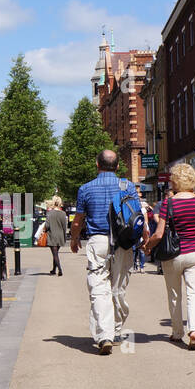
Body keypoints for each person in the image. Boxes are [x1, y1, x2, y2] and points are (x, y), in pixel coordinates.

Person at [70, 148, 137, 354]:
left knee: (99, 288)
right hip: (123, 243)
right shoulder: (128, 186)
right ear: (117, 166)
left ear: (97, 165)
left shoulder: (86, 188)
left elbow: (78, 219)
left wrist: (74, 239)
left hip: (98, 241)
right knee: (118, 287)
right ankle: (116, 330)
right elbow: (137, 214)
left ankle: (104, 335)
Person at [145, 162, 195, 349]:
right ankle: (194, 330)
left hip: (174, 254)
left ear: (174, 181)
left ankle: (177, 331)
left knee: (174, 294)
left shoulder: (169, 203)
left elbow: (159, 233)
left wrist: (148, 246)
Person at [44, 196, 68, 276]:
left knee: (55, 254)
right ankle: (54, 269)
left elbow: (47, 226)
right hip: (60, 236)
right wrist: (64, 237)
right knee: (56, 253)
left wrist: (44, 230)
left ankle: (60, 269)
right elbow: (65, 227)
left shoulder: (50, 213)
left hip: (52, 236)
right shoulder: (63, 213)